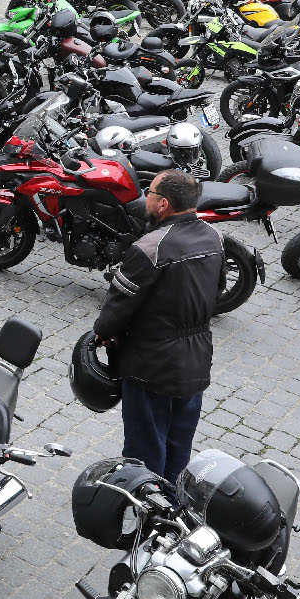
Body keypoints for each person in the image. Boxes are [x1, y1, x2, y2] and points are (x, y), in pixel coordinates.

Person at [87, 170, 223, 475]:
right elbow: (216, 292)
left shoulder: (151, 247)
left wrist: (103, 334)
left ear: (163, 204)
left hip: (150, 366)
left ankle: (146, 516)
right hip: (195, 363)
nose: (144, 198)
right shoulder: (215, 237)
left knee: (144, 453)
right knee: (178, 450)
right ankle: (174, 512)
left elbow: (116, 310)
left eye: (149, 192)